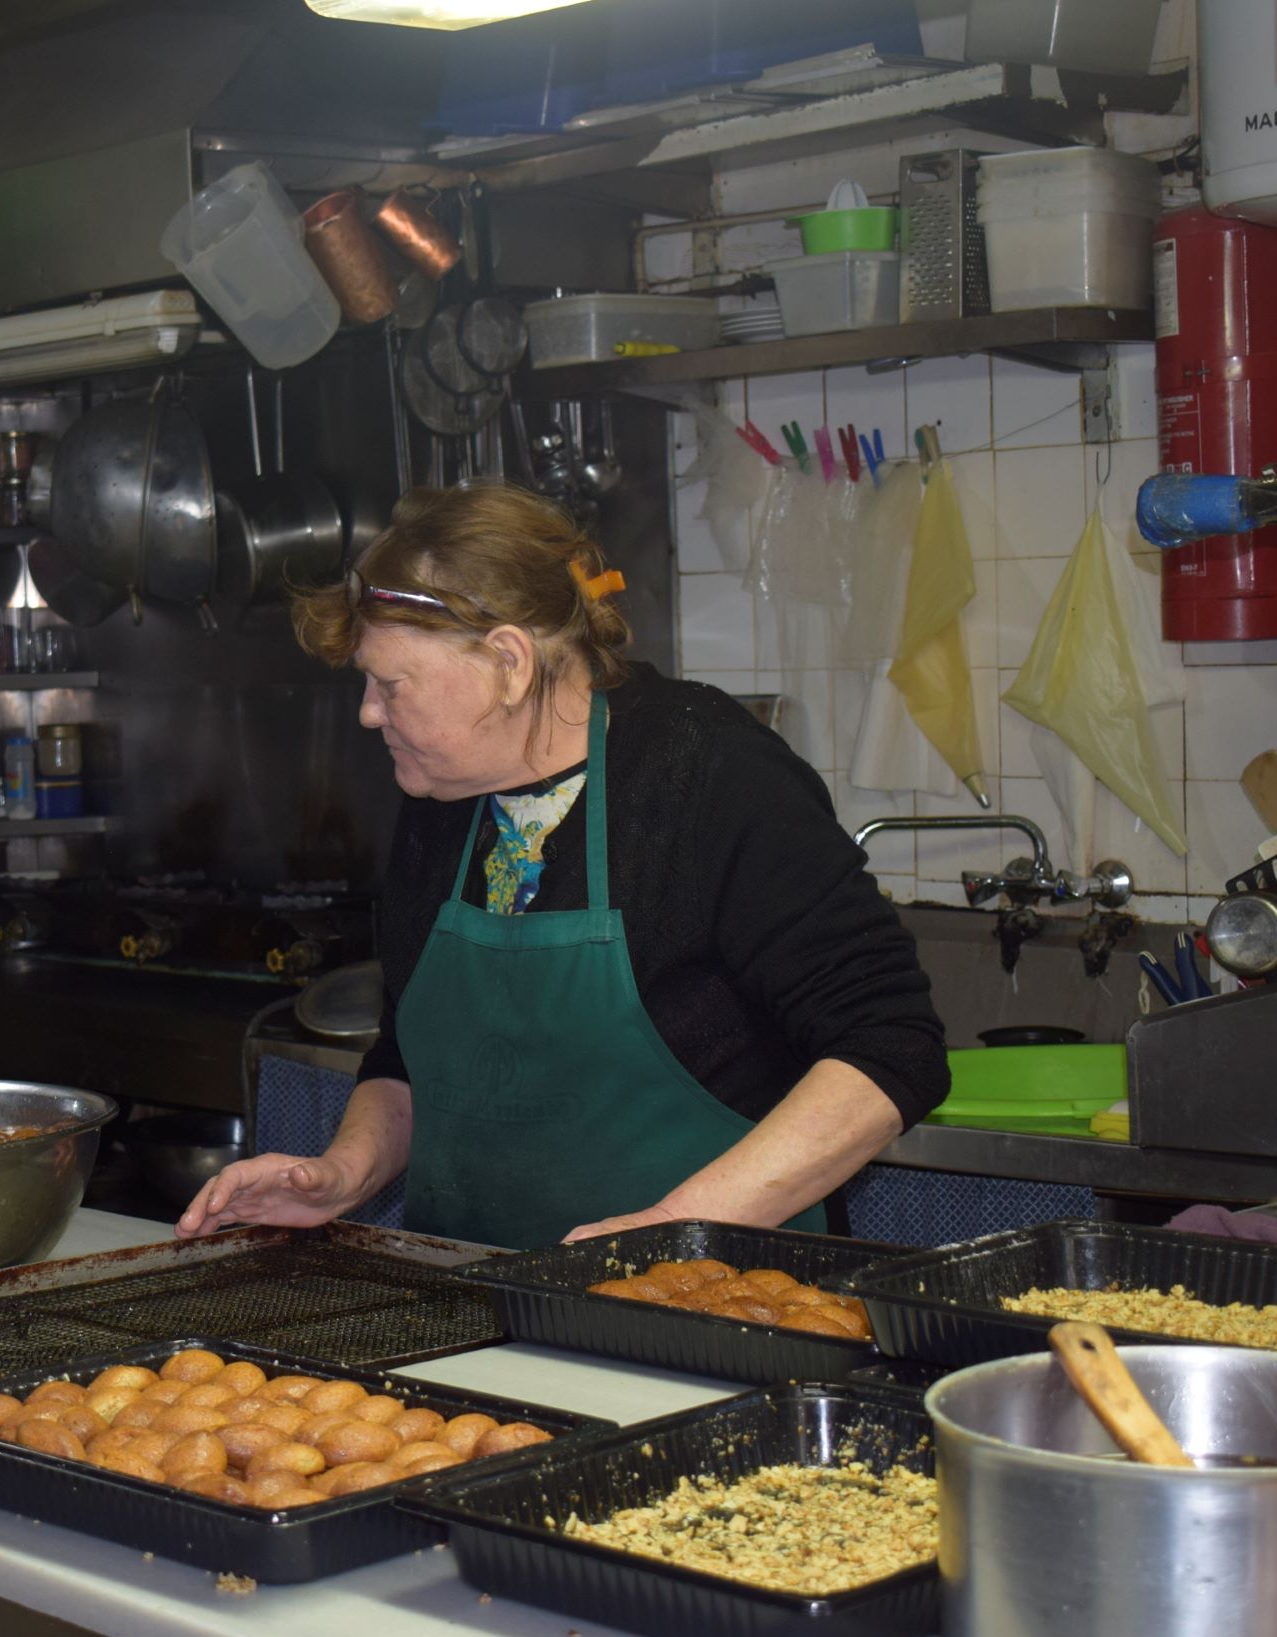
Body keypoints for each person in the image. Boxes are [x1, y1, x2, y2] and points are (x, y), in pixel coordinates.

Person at [178, 482, 949, 1252]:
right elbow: (411, 1052)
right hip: (474, 1294)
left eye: (391, 684)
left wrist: (675, 1233)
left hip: (716, 1299)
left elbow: (890, 1046)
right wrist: (344, 1173)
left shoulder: (709, 772)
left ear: (508, 662)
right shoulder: (444, 796)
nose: (369, 712)